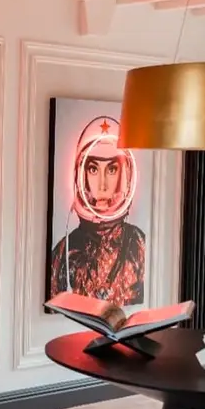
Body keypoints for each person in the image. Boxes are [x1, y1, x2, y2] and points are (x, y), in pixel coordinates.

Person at [49, 115, 145, 307]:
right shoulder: (65, 252)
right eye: (93, 169)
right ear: (82, 175)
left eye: (111, 170)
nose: (102, 185)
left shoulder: (137, 244)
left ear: (124, 175)